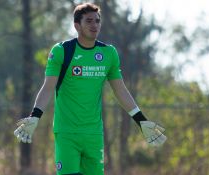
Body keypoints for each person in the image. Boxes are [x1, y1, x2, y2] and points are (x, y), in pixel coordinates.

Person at [14, 2, 166, 175]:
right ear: (77, 25)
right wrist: (35, 116)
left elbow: (120, 90)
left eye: (97, 21)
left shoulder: (109, 53)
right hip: (67, 133)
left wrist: (141, 120)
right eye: (89, 21)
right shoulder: (62, 51)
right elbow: (48, 87)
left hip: (93, 134)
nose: (94, 25)